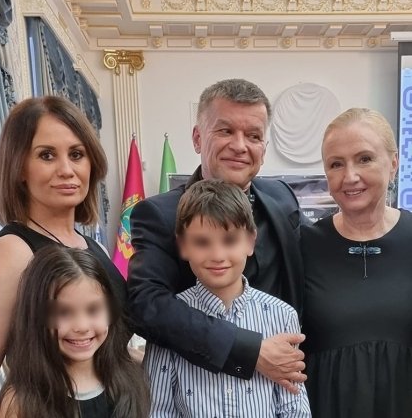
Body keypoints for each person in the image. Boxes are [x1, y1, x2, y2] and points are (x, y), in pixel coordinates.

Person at [128, 78, 307, 391]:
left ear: (264, 148)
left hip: (282, 385)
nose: (240, 145)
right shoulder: (159, 214)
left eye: (253, 136)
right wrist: (249, 351)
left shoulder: (282, 198)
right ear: (198, 138)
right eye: (225, 131)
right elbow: (147, 305)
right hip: (197, 387)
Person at [0, 96, 128, 417]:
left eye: (76, 154)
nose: (66, 170)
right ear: (19, 167)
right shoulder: (12, 250)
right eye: (47, 155)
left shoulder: (92, 248)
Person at [144, 179, 311, 417]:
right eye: (202, 242)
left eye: (229, 240)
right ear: (183, 245)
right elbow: (159, 409)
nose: (218, 255)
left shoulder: (282, 316)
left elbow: (294, 408)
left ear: (250, 241)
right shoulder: (170, 321)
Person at [301, 108, 412, 418]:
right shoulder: (302, 245)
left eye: (364, 159)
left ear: (393, 163)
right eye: (336, 164)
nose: (350, 176)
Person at [0, 245, 150, 418]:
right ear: (36, 317)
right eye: (63, 312)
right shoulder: (21, 402)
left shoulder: (132, 382)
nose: (82, 326)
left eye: (93, 310)